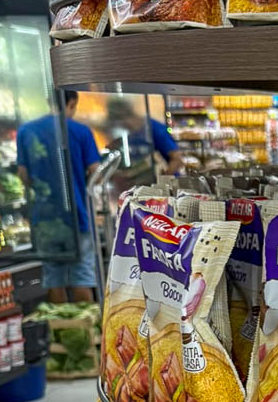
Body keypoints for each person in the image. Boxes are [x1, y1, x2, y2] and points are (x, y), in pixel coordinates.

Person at [16, 89, 100, 302]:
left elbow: (23, 175)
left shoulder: (26, 131)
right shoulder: (80, 131)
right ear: (71, 103)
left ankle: (60, 322)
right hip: (76, 215)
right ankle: (85, 323)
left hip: (45, 218)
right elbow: (95, 171)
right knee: (81, 276)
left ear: (48, 101)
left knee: (54, 278)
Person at [105, 98, 183, 173]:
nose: (122, 126)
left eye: (120, 122)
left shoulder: (155, 129)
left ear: (128, 117)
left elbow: (177, 160)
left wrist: (163, 177)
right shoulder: (129, 133)